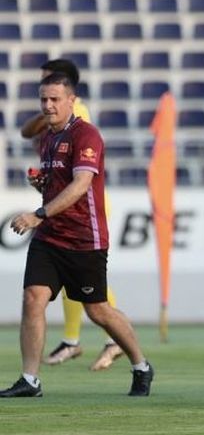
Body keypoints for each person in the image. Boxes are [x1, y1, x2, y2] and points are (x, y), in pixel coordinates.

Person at [0, 73, 153, 397]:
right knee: (32, 299)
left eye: (55, 99)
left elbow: (81, 184)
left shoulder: (87, 135)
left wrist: (38, 214)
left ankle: (141, 364)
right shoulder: (48, 138)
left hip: (84, 239)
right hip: (50, 237)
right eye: (43, 99)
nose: (48, 105)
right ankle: (30, 380)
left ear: (72, 100)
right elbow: (60, 181)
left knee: (97, 310)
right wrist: (43, 186)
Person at [21, 59, 124, 371]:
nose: (47, 100)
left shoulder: (76, 119)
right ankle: (72, 341)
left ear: (69, 92)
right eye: (44, 94)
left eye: (53, 93)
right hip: (62, 210)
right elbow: (29, 132)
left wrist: (42, 209)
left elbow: (80, 177)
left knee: (92, 293)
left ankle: (97, 340)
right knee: (65, 285)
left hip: (83, 210)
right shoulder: (52, 121)